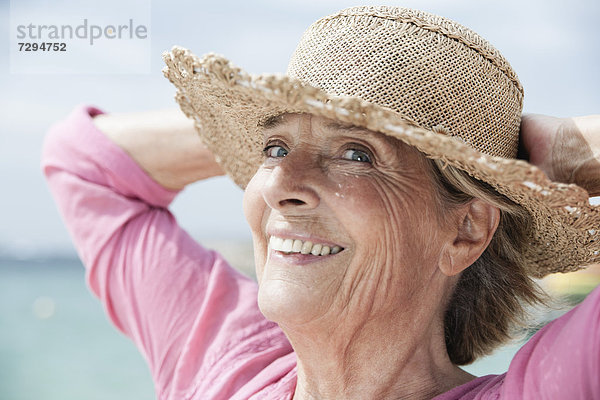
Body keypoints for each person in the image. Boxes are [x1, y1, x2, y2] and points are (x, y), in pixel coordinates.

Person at [42, 6, 600, 400]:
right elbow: (83, 163)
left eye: (358, 154)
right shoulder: (228, 361)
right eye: (274, 149)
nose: (284, 184)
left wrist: (569, 151)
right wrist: (262, 122)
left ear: (466, 231)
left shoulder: (552, 387)